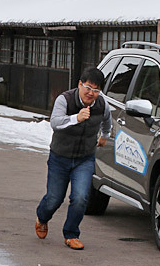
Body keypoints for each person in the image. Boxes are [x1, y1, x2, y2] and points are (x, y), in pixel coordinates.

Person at [35, 67, 112, 250]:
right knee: (54, 198)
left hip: (84, 159)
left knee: (81, 197)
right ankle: (42, 217)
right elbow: (55, 122)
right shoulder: (65, 99)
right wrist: (76, 118)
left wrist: (105, 135)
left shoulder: (102, 104)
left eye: (96, 90)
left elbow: (107, 120)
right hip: (60, 157)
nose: (91, 93)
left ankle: (71, 234)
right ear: (79, 84)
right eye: (88, 87)